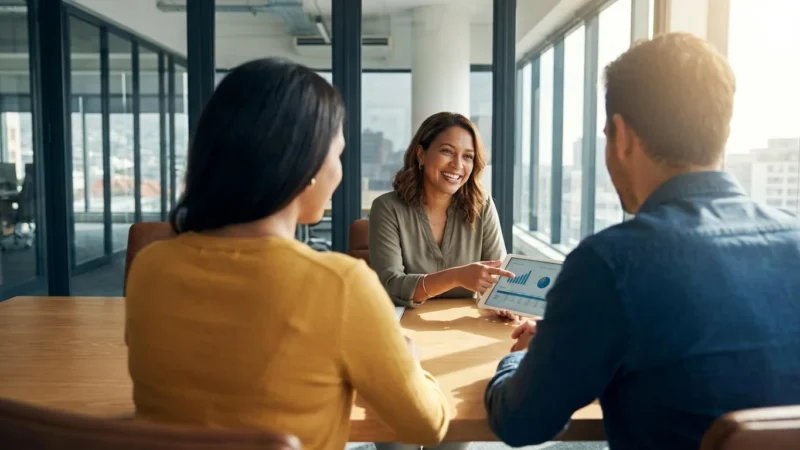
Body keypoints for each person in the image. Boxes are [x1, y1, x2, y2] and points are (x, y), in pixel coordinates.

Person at [484, 32, 800, 450]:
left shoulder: (612, 263)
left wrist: (525, 357)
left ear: (622, 135)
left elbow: (521, 424)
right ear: (722, 130)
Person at [125, 58, 451, 450]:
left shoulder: (149, 267)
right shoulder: (340, 285)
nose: (339, 172)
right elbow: (426, 428)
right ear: (306, 164)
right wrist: (409, 361)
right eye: (338, 155)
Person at [369, 112, 515, 313]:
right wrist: (457, 277)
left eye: (467, 156)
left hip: (467, 327)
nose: (458, 165)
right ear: (421, 154)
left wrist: (505, 304)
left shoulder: (482, 204)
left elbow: (498, 278)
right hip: (404, 328)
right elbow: (391, 286)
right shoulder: (387, 208)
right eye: (447, 151)